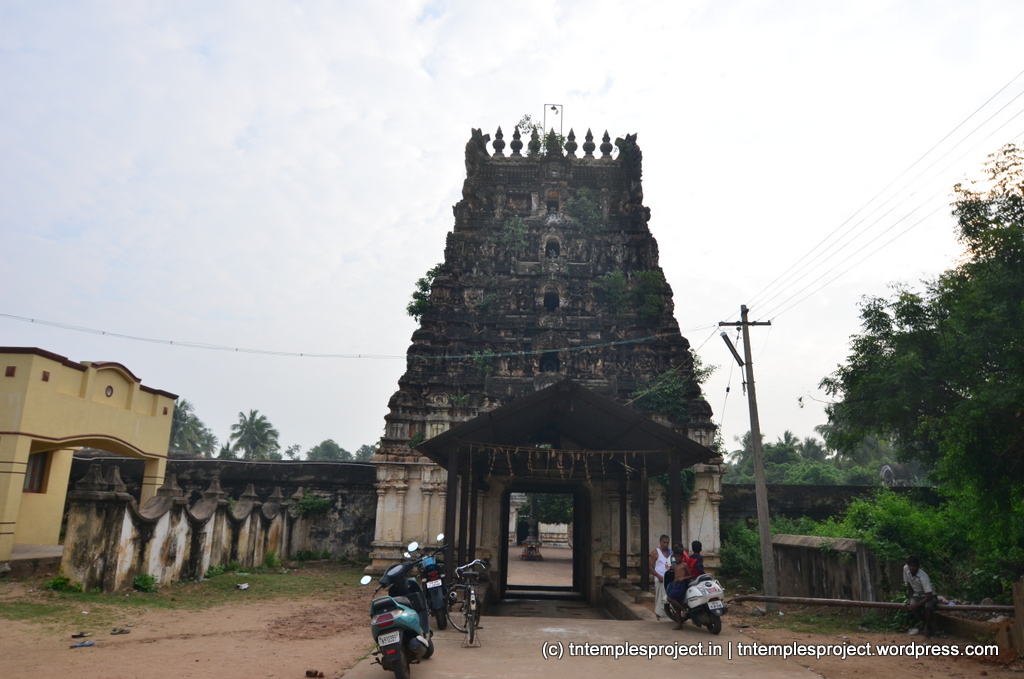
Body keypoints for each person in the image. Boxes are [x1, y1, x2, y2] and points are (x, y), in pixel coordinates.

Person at [904, 555, 937, 637]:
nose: (912, 568)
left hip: (929, 595)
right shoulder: (905, 569)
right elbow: (909, 584)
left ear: (918, 566)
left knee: (928, 607)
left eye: (914, 566)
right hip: (917, 594)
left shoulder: (923, 576)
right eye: (910, 566)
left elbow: (929, 596)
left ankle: (927, 625)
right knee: (912, 606)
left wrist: (917, 604)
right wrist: (911, 599)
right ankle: (927, 624)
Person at [665, 547, 693, 630]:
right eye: (676, 556)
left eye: (679, 556)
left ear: (682, 557)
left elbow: (691, 575)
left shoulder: (684, 565)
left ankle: (684, 610)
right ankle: (679, 624)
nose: (677, 558)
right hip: (675, 584)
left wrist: (683, 578)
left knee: (669, 598)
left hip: (681, 585)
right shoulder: (675, 566)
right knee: (677, 607)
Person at [649, 534, 672, 620]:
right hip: (660, 579)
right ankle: (659, 615)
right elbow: (650, 566)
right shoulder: (656, 552)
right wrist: (658, 576)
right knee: (660, 598)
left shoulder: (670, 553)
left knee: (668, 597)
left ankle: (668, 615)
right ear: (660, 542)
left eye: (667, 542)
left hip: (668, 578)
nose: (666, 544)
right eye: (664, 542)